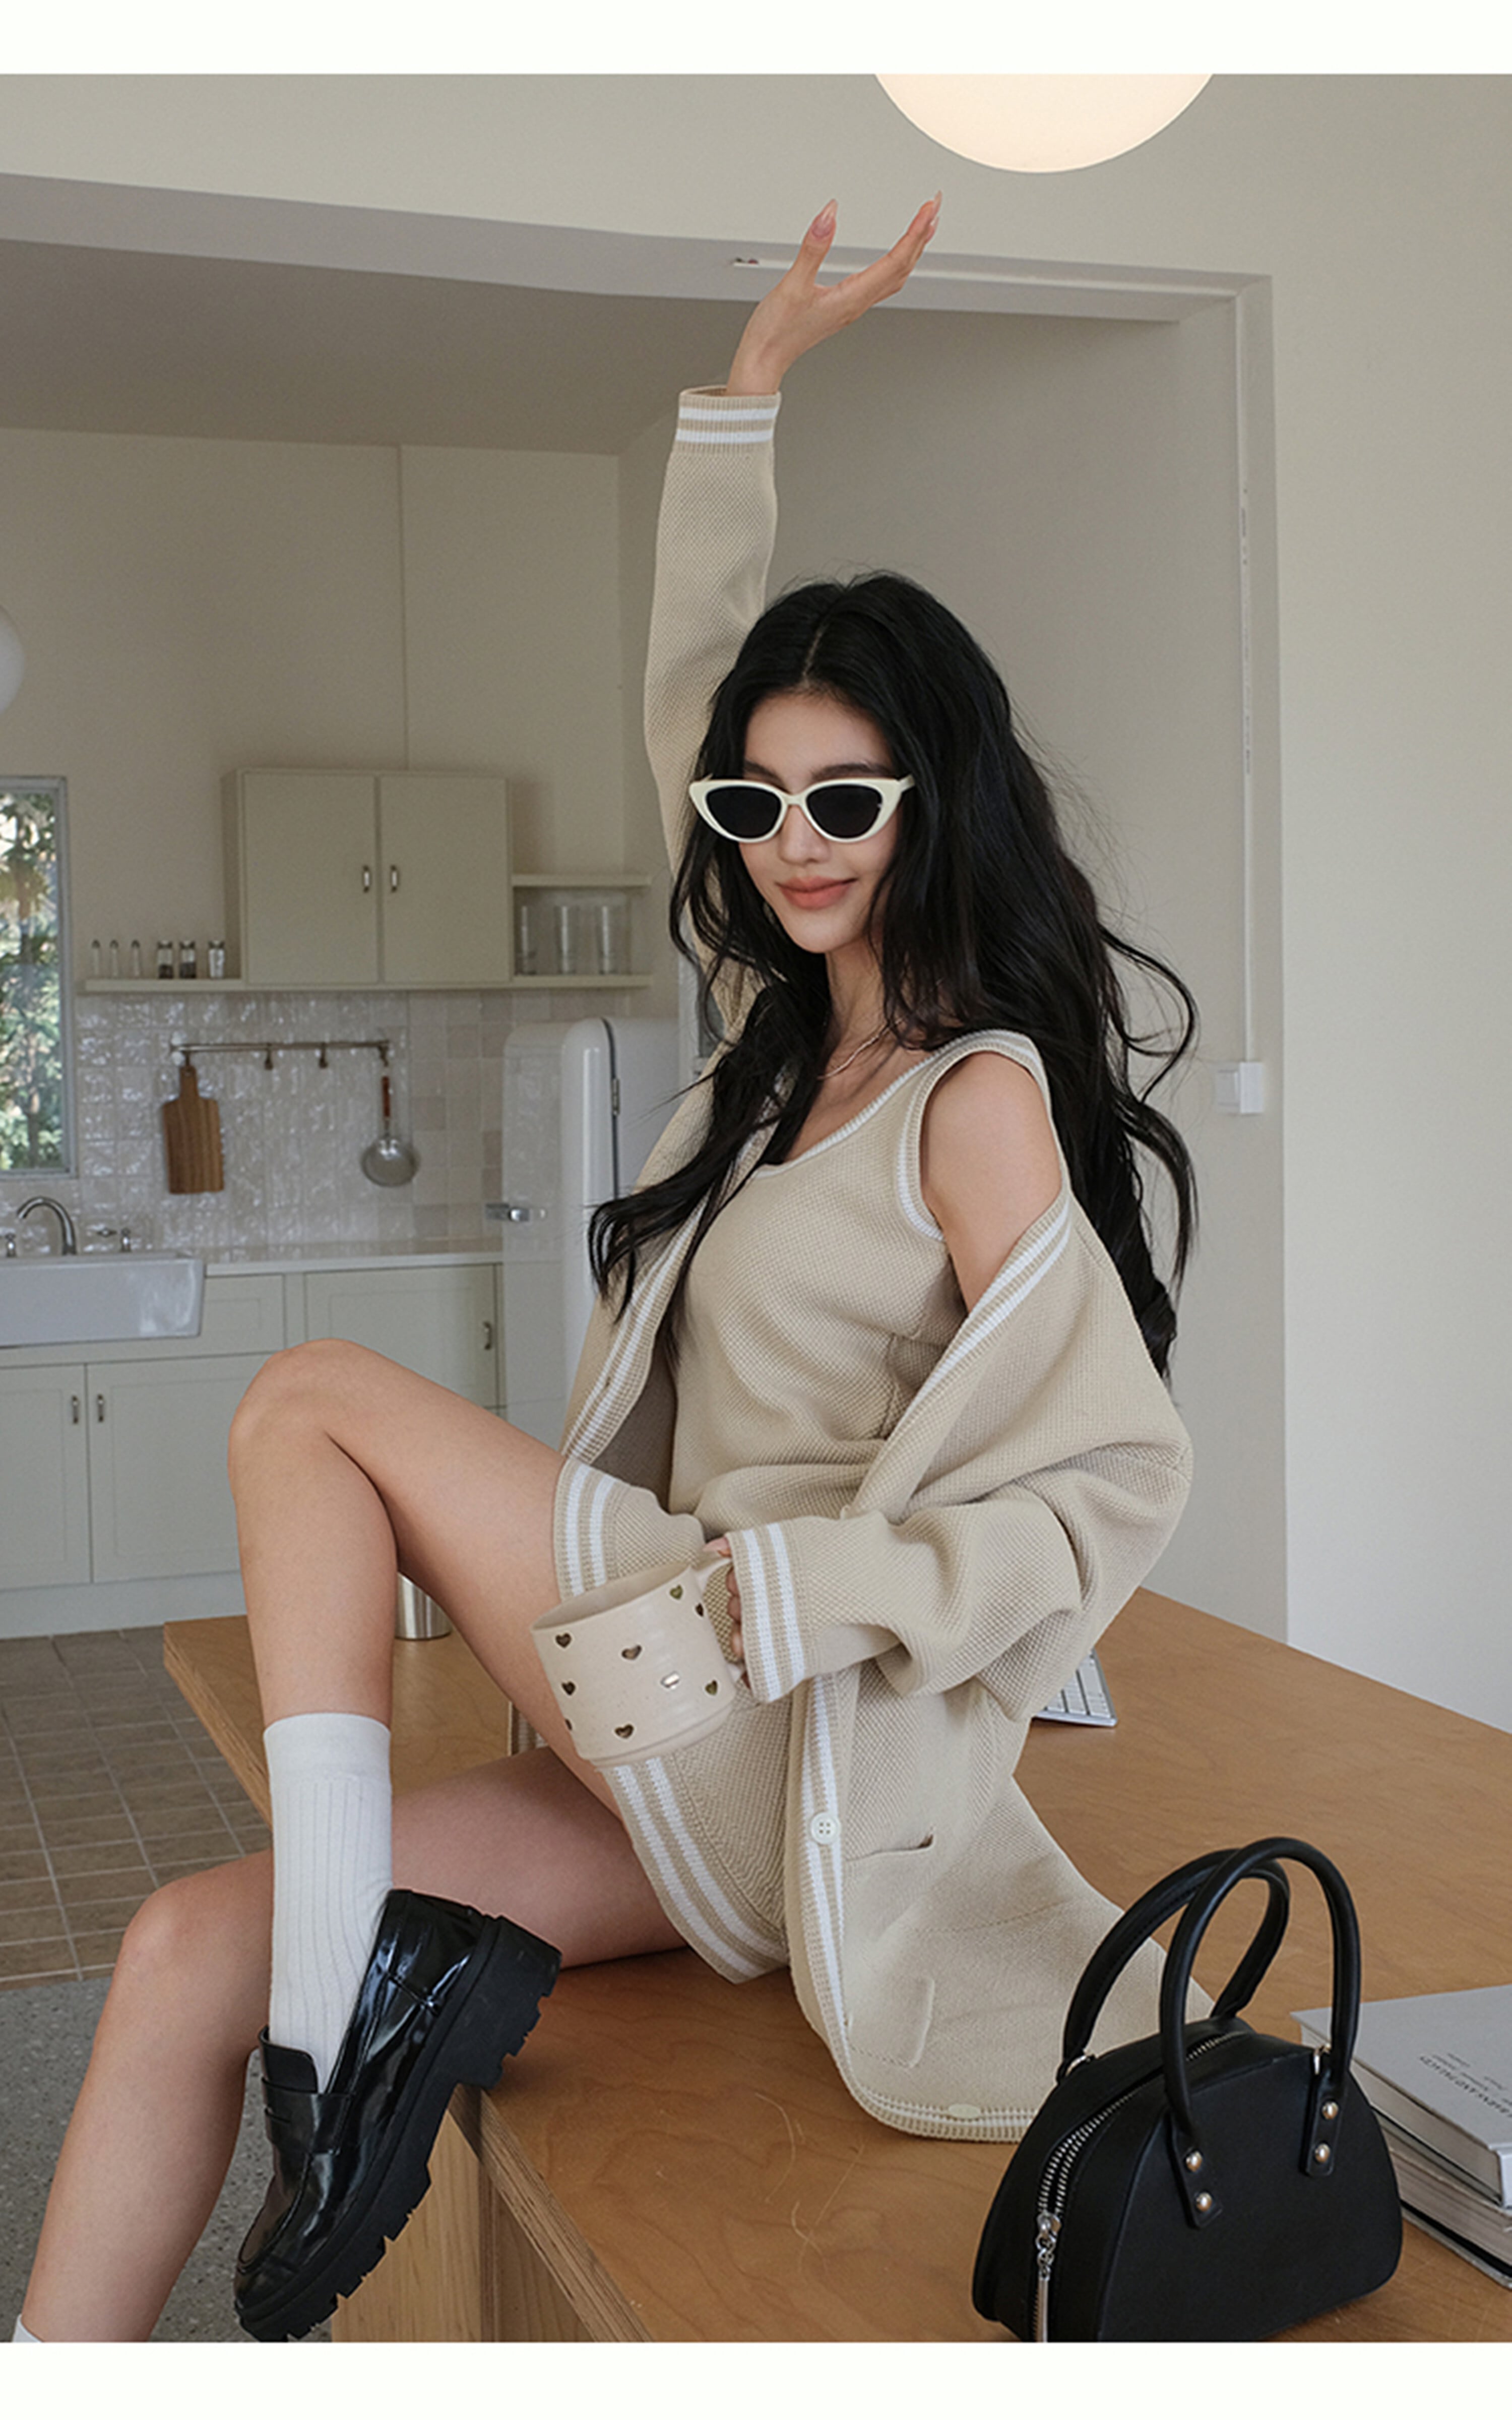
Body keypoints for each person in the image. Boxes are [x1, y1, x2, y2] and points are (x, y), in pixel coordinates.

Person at [14, 197, 1196, 2344]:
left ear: (938, 803)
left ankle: (333, 2030)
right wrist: (741, 401)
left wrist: (801, 1591)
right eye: (761, 801)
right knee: (181, 1948)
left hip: (768, 1706)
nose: (794, 838)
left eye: (849, 798)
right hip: (662, 1756)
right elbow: (693, 705)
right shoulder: (773, 1054)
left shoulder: (971, 1104)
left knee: (309, 1399)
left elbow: (1109, 1487)